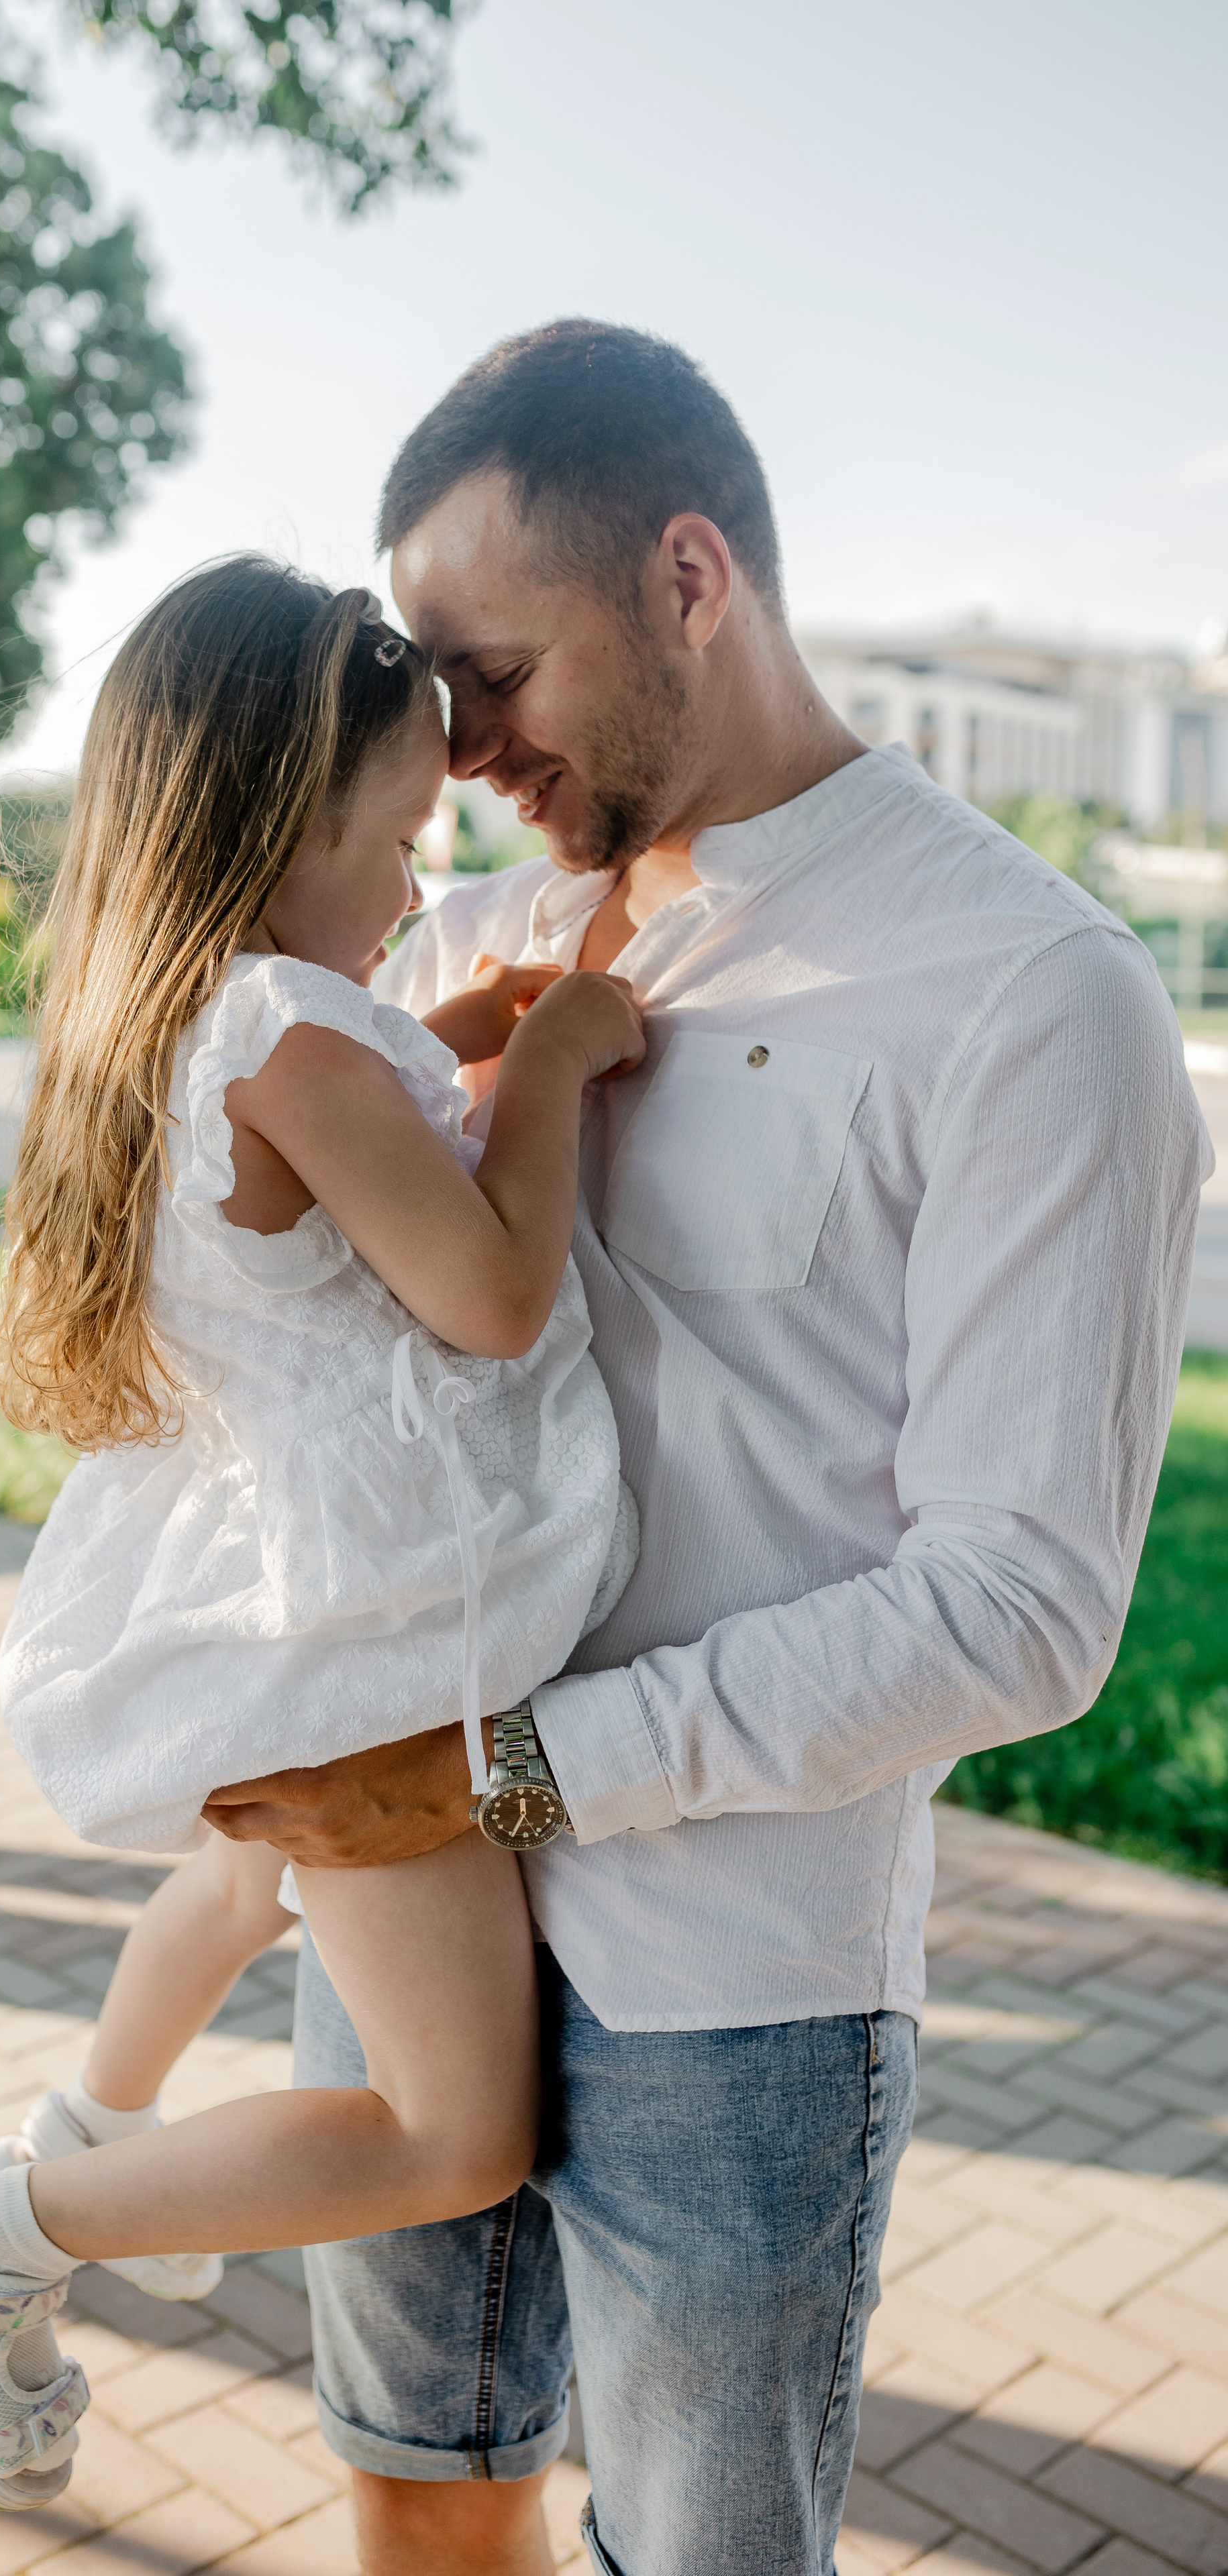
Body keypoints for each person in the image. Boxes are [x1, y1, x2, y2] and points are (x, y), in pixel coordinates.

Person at [197, 322, 1215, 2576]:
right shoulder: (451, 937)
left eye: (492, 675)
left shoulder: (1034, 995)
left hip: (732, 1981)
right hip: (395, 1902)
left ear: (688, 579)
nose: (453, 755)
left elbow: (1019, 1612)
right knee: (412, 2487)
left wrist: (504, 1771)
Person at [0, 558, 647, 2511]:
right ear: (282, 815)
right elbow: (487, 1293)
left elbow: (304, 1185)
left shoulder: (183, 1014)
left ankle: (92, 2131)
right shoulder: (289, 1025)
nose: (417, 880)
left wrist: (432, 1042)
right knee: (459, 2134)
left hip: (261, 1601)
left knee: (240, 1882)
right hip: (368, 1634)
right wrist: (548, 1062)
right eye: (397, 835)